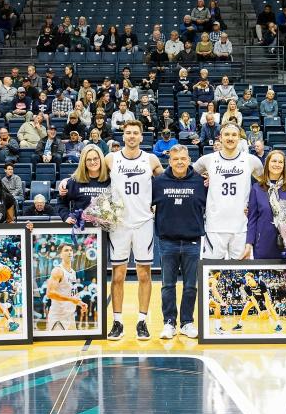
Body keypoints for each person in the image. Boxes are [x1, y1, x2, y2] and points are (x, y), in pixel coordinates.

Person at [104, 121, 163, 340]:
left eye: (135, 133)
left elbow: (167, 181)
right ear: (123, 136)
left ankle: (142, 321)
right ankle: (117, 322)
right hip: (118, 224)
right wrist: (67, 181)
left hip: (143, 223)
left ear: (141, 137)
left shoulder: (151, 159)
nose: (131, 136)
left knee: (143, 274)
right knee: (118, 275)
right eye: (127, 133)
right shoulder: (111, 159)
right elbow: (88, 171)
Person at [151, 144, 206, 339]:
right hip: (167, 241)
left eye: (183, 158)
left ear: (189, 160)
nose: (180, 162)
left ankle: (187, 322)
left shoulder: (201, 182)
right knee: (168, 285)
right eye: (175, 159)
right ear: (170, 161)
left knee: (191, 285)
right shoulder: (158, 182)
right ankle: (169, 322)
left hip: (192, 241)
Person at [194, 124, 264, 260]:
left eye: (234, 135)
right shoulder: (207, 160)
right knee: (211, 274)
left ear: (239, 138)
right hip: (214, 226)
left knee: (241, 275)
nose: (230, 138)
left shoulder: (252, 161)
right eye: (226, 135)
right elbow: (186, 177)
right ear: (220, 137)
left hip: (242, 227)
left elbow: (267, 183)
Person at [244, 150, 286, 260]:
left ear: (284, 165)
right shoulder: (257, 188)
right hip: (263, 243)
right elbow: (252, 219)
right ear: (267, 163)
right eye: (274, 161)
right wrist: (249, 243)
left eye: (280, 162)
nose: (277, 164)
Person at [59, 145, 111, 224]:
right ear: (84, 162)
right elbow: (61, 202)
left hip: (105, 231)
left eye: (95, 158)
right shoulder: (75, 181)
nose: (92, 162)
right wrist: (66, 216)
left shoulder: (110, 180)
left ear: (101, 159)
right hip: (82, 230)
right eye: (89, 159)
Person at [45, 243, 88, 332]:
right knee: (59, 346)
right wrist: (71, 300)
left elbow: (72, 293)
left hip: (70, 316)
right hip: (58, 317)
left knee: (73, 345)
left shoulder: (73, 272)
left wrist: (80, 303)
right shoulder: (57, 271)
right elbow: (50, 293)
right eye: (66, 250)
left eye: (71, 250)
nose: (69, 252)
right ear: (60, 255)